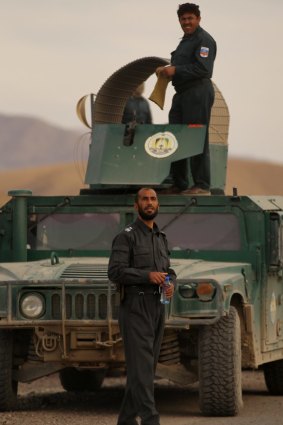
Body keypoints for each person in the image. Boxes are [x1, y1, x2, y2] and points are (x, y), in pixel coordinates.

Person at [108, 187, 176, 425]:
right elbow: (115, 272)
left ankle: (126, 420)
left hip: (158, 307)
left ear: (158, 205)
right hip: (135, 308)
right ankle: (151, 420)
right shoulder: (126, 236)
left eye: (153, 199)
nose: (150, 202)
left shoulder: (161, 238)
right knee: (143, 371)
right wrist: (147, 276)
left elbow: (168, 271)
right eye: (145, 199)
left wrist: (171, 283)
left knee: (144, 369)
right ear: (135, 206)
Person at [156, 3, 217, 195]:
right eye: (183, 19)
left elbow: (204, 69)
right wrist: (166, 70)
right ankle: (179, 183)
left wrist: (177, 70)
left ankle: (202, 185)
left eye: (190, 18)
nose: (186, 22)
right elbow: (180, 65)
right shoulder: (185, 41)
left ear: (198, 19)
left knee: (196, 137)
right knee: (175, 136)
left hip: (197, 92)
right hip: (181, 93)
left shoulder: (204, 40)